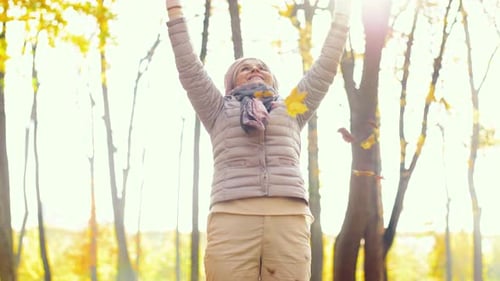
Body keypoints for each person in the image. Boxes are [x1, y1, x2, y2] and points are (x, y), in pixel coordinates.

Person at [165, 0, 350, 280]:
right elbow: (189, 69)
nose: (255, 69)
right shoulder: (217, 109)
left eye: (261, 67)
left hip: (288, 218)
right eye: (245, 68)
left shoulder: (292, 108)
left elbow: (324, 70)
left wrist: (343, 16)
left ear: (273, 79)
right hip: (232, 217)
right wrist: (174, 12)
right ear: (231, 83)